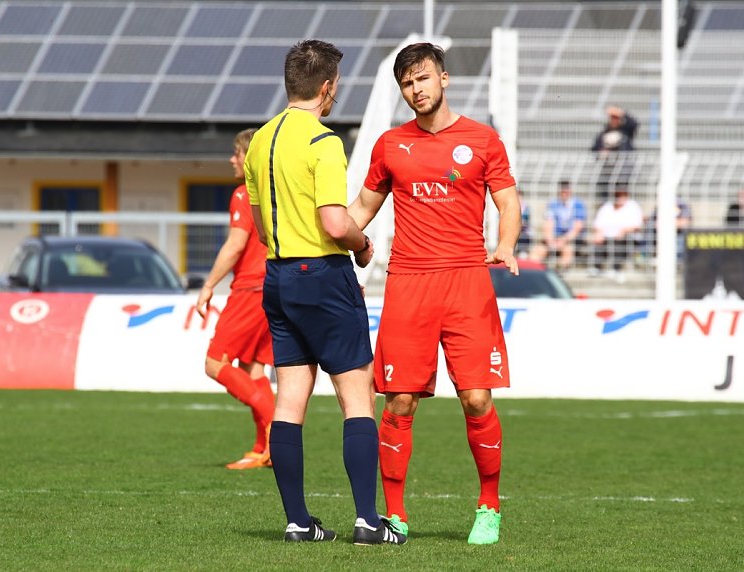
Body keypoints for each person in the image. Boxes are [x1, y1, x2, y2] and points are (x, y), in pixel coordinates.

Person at [348, 42, 520, 545]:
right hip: (408, 282)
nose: (415, 89)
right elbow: (362, 207)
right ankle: (394, 517)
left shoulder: (483, 140)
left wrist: (505, 244)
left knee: (476, 398)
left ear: (443, 79)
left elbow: (508, 202)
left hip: (467, 281)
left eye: (422, 78)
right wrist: (330, 242)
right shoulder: (389, 145)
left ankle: (489, 505)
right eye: (406, 83)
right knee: (399, 402)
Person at [245, 39, 405, 546]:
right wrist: (362, 246)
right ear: (328, 87)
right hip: (324, 275)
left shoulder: (258, 142)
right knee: (357, 395)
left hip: (278, 275)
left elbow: (259, 222)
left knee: (290, 399)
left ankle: (298, 522)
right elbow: (336, 222)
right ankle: (367, 521)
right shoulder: (322, 141)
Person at [195, 128, 274, 471]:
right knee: (254, 370)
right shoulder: (276, 194)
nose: (232, 159)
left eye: (237, 153)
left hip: (251, 289)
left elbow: (236, 244)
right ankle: (264, 448)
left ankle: (276, 428)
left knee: (215, 363)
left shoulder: (245, 195)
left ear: (250, 157)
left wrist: (209, 285)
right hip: (274, 286)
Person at [588, 185, 644, 282]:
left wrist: (624, 230)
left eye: (622, 195)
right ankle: (596, 268)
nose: (619, 198)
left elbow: (637, 225)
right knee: (597, 240)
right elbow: (598, 224)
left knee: (619, 242)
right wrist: (599, 233)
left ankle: (616, 269)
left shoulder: (633, 206)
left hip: (626, 237)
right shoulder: (607, 206)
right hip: (607, 237)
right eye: (617, 195)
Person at [529, 179, 587, 270]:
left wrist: (563, 239)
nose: (564, 193)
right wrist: (550, 240)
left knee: (568, 250)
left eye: (566, 191)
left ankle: (559, 272)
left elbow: (577, 227)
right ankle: (533, 272)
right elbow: (548, 223)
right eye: (562, 191)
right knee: (537, 251)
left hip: (569, 239)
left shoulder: (578, 204)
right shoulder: (553, 204)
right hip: (555, 238)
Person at [591, 106, 638, 202]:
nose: (614, 120)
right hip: (608, 170)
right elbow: (594, 149)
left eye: (616, 118)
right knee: (605, 197)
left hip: (622, 170)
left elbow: (634, 124)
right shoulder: (603, 133)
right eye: (612, 118)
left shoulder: (626, 132)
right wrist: (601, 152)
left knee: (621, 195)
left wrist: (621, 112)